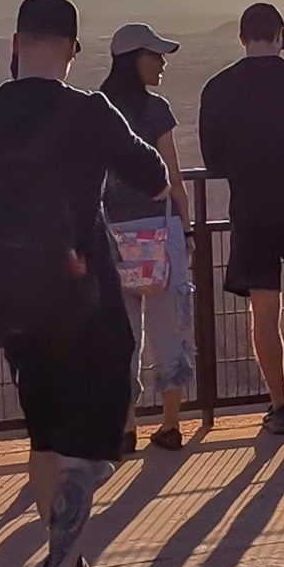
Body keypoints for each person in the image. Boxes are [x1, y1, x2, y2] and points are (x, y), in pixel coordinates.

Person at [0, 0, 169, 567]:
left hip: (11, 304)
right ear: (71, 47)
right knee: (88, 446)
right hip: (83, 302)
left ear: (16, 41)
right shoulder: (88, 111)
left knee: (45, 437)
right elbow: (150, 177)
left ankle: (64, 557)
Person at [198, 2, 284, 436]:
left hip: (252, 210)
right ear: (281, 34)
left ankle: (279, 405)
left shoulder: (218, 88)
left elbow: (213, 158)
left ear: (242, 37)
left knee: (264, 310)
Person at [100, 22, 200, 450]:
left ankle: (124, 425)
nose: (161, 64)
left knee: (122, 332)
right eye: (154, 56)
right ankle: (170, 423)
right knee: (167, 324)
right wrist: (187, 225)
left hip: (110, 232)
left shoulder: (97, 107)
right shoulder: (155, 110)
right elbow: (172, 174)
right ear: (132, 60)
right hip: (157, 229)